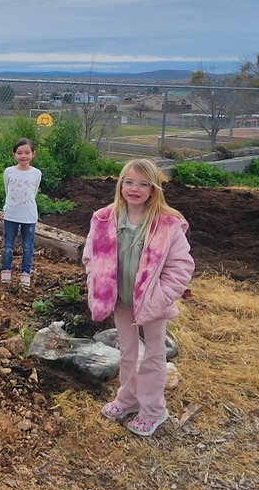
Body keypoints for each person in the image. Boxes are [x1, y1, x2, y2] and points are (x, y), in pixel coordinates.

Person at [82, 159, 195, 438]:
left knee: (154, 355)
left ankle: (154, 410)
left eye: (143, 184)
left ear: (153, 189)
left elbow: (182, 267)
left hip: (153, 303)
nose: (135, 188)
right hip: (120, 300)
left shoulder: (167, 225)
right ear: (120, 184)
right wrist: (98, 283)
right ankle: (127, 400)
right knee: (128, 352)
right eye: (129, 182)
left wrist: (161, 296)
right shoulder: (105, 218)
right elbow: (90, 256)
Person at [0, 138, 42, 288]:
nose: (23, 156)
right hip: (11, 214)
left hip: (29, 215)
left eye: (27, 152)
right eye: (19, 153)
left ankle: (25, 272)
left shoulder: (36, 173)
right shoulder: (9, 172)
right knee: (8, 244)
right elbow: (7, 190)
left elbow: (34, 192)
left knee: (27, 246)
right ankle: (5, 269)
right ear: (14, 154)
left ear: (33, 154)